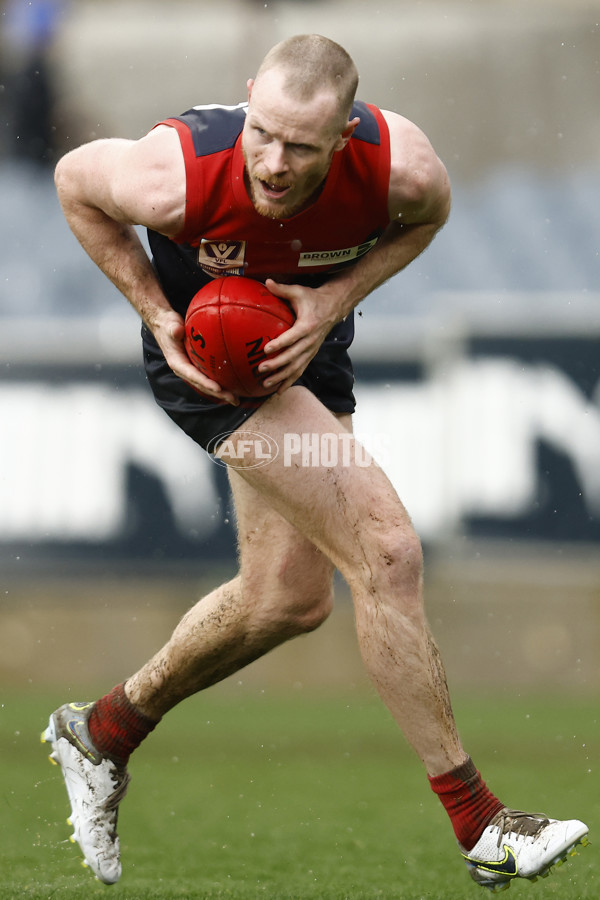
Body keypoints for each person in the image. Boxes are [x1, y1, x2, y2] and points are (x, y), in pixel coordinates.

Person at [41, 34, 588, 892]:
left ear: (344, 134)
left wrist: (335, 297)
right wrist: (152, 310)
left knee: (287, 599)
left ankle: (100, 733)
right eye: (263, 131)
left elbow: (428, 221)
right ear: (249, 94)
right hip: (214, 356)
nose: (272, 161)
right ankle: (484, 828)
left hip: (303, 340)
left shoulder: (401, 172)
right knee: (388, 551)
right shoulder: (176, 175)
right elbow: (75, 180)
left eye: (301, 145)